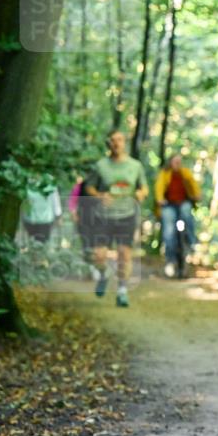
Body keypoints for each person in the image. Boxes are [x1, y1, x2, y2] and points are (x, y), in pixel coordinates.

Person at [83, 129, 148, 308]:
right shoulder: (100, 166)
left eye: (119, 139)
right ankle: (103, 275)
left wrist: (141, 194)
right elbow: (89, 188)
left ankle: (122, 291)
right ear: (109, 144)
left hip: (126, 216)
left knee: (124, 255)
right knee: (99, 256)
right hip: (103, 217)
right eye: (113, 140)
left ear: (124, 142)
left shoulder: (135, 166)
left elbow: (144, 188)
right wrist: (99, 196)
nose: (116, 143)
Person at [154, 154, 201, 277]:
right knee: (169, 231)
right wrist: (160, 199)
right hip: (168, 205)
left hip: (183, 203)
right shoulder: (164, 174)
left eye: (179, 162)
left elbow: (193, 185)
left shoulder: (185, 173)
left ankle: (192, 242)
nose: (177, 164)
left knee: (187, 213)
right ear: (170, 162)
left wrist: (197, 195)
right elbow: (159, 188)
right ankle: (170, 260)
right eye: (175, 161)